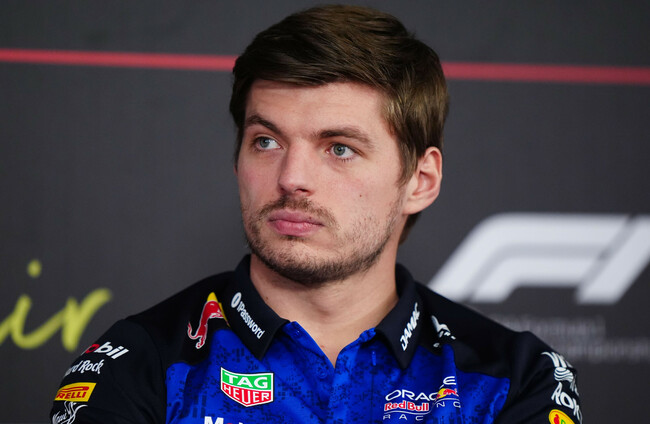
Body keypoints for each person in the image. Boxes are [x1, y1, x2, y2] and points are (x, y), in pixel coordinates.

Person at [50, 5, 581, 424]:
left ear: (420, 181)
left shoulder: (514, 378)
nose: (291, 177)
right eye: (266, 141)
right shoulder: (140, 363)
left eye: (339, 148)